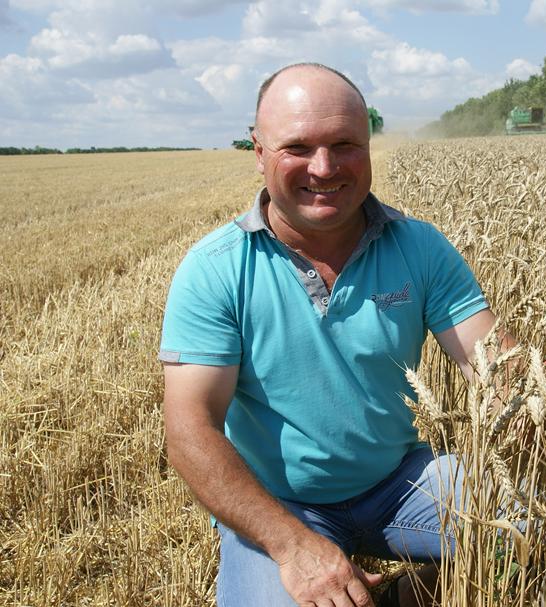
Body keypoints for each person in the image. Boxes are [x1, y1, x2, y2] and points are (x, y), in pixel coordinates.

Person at [159, 62, 510, 607]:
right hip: (280, 503)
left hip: (402, 482)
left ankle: (406, 596)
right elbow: (189, 430)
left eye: (344, 143)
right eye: (297, 147)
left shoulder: (419, 247)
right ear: (258, 153)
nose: (324, 168)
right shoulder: (215, 269)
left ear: (369, 145)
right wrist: (293, 546)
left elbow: (496, 367)